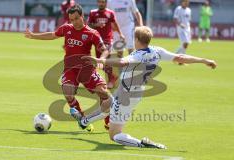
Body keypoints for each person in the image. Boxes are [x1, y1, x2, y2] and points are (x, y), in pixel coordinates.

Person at [79, 26, 217, 148]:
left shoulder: (138, 55)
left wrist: (100, 60)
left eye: (134, 38)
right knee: (107, 104)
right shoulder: (157, 51)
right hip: (135, 93)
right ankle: (84, 121)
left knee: (114, 135)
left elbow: (122, 61)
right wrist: (204, 60)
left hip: (125, 96)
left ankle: (141, 143)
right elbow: (180, 57)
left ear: (138, 39)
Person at [24, 4, 111, 132]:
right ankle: (83, 120)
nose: (74, 22)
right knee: (68, 93)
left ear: (82, 16)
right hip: (70, 69)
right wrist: (34, 35)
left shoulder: (92, 33)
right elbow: (52, 35)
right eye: (71, 20)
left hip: (87, 70)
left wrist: (101, 59)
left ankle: (108, 122)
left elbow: (104, 50)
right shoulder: (66, 28)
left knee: (103, 92)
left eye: (76, 18)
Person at [87, 0, 125, 89]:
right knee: (101, 61)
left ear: (106, 3)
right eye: (100, 2)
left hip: (108, 39)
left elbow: (115, 23)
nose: (101, 4)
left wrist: (120, 34)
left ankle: (111, 79)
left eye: (103, 2)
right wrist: (97, 24)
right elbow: (88, 25)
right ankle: (112, 77)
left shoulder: (110, 13)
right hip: (97, 40)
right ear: (97, 2)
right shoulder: (93, 13)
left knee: (102, 58)